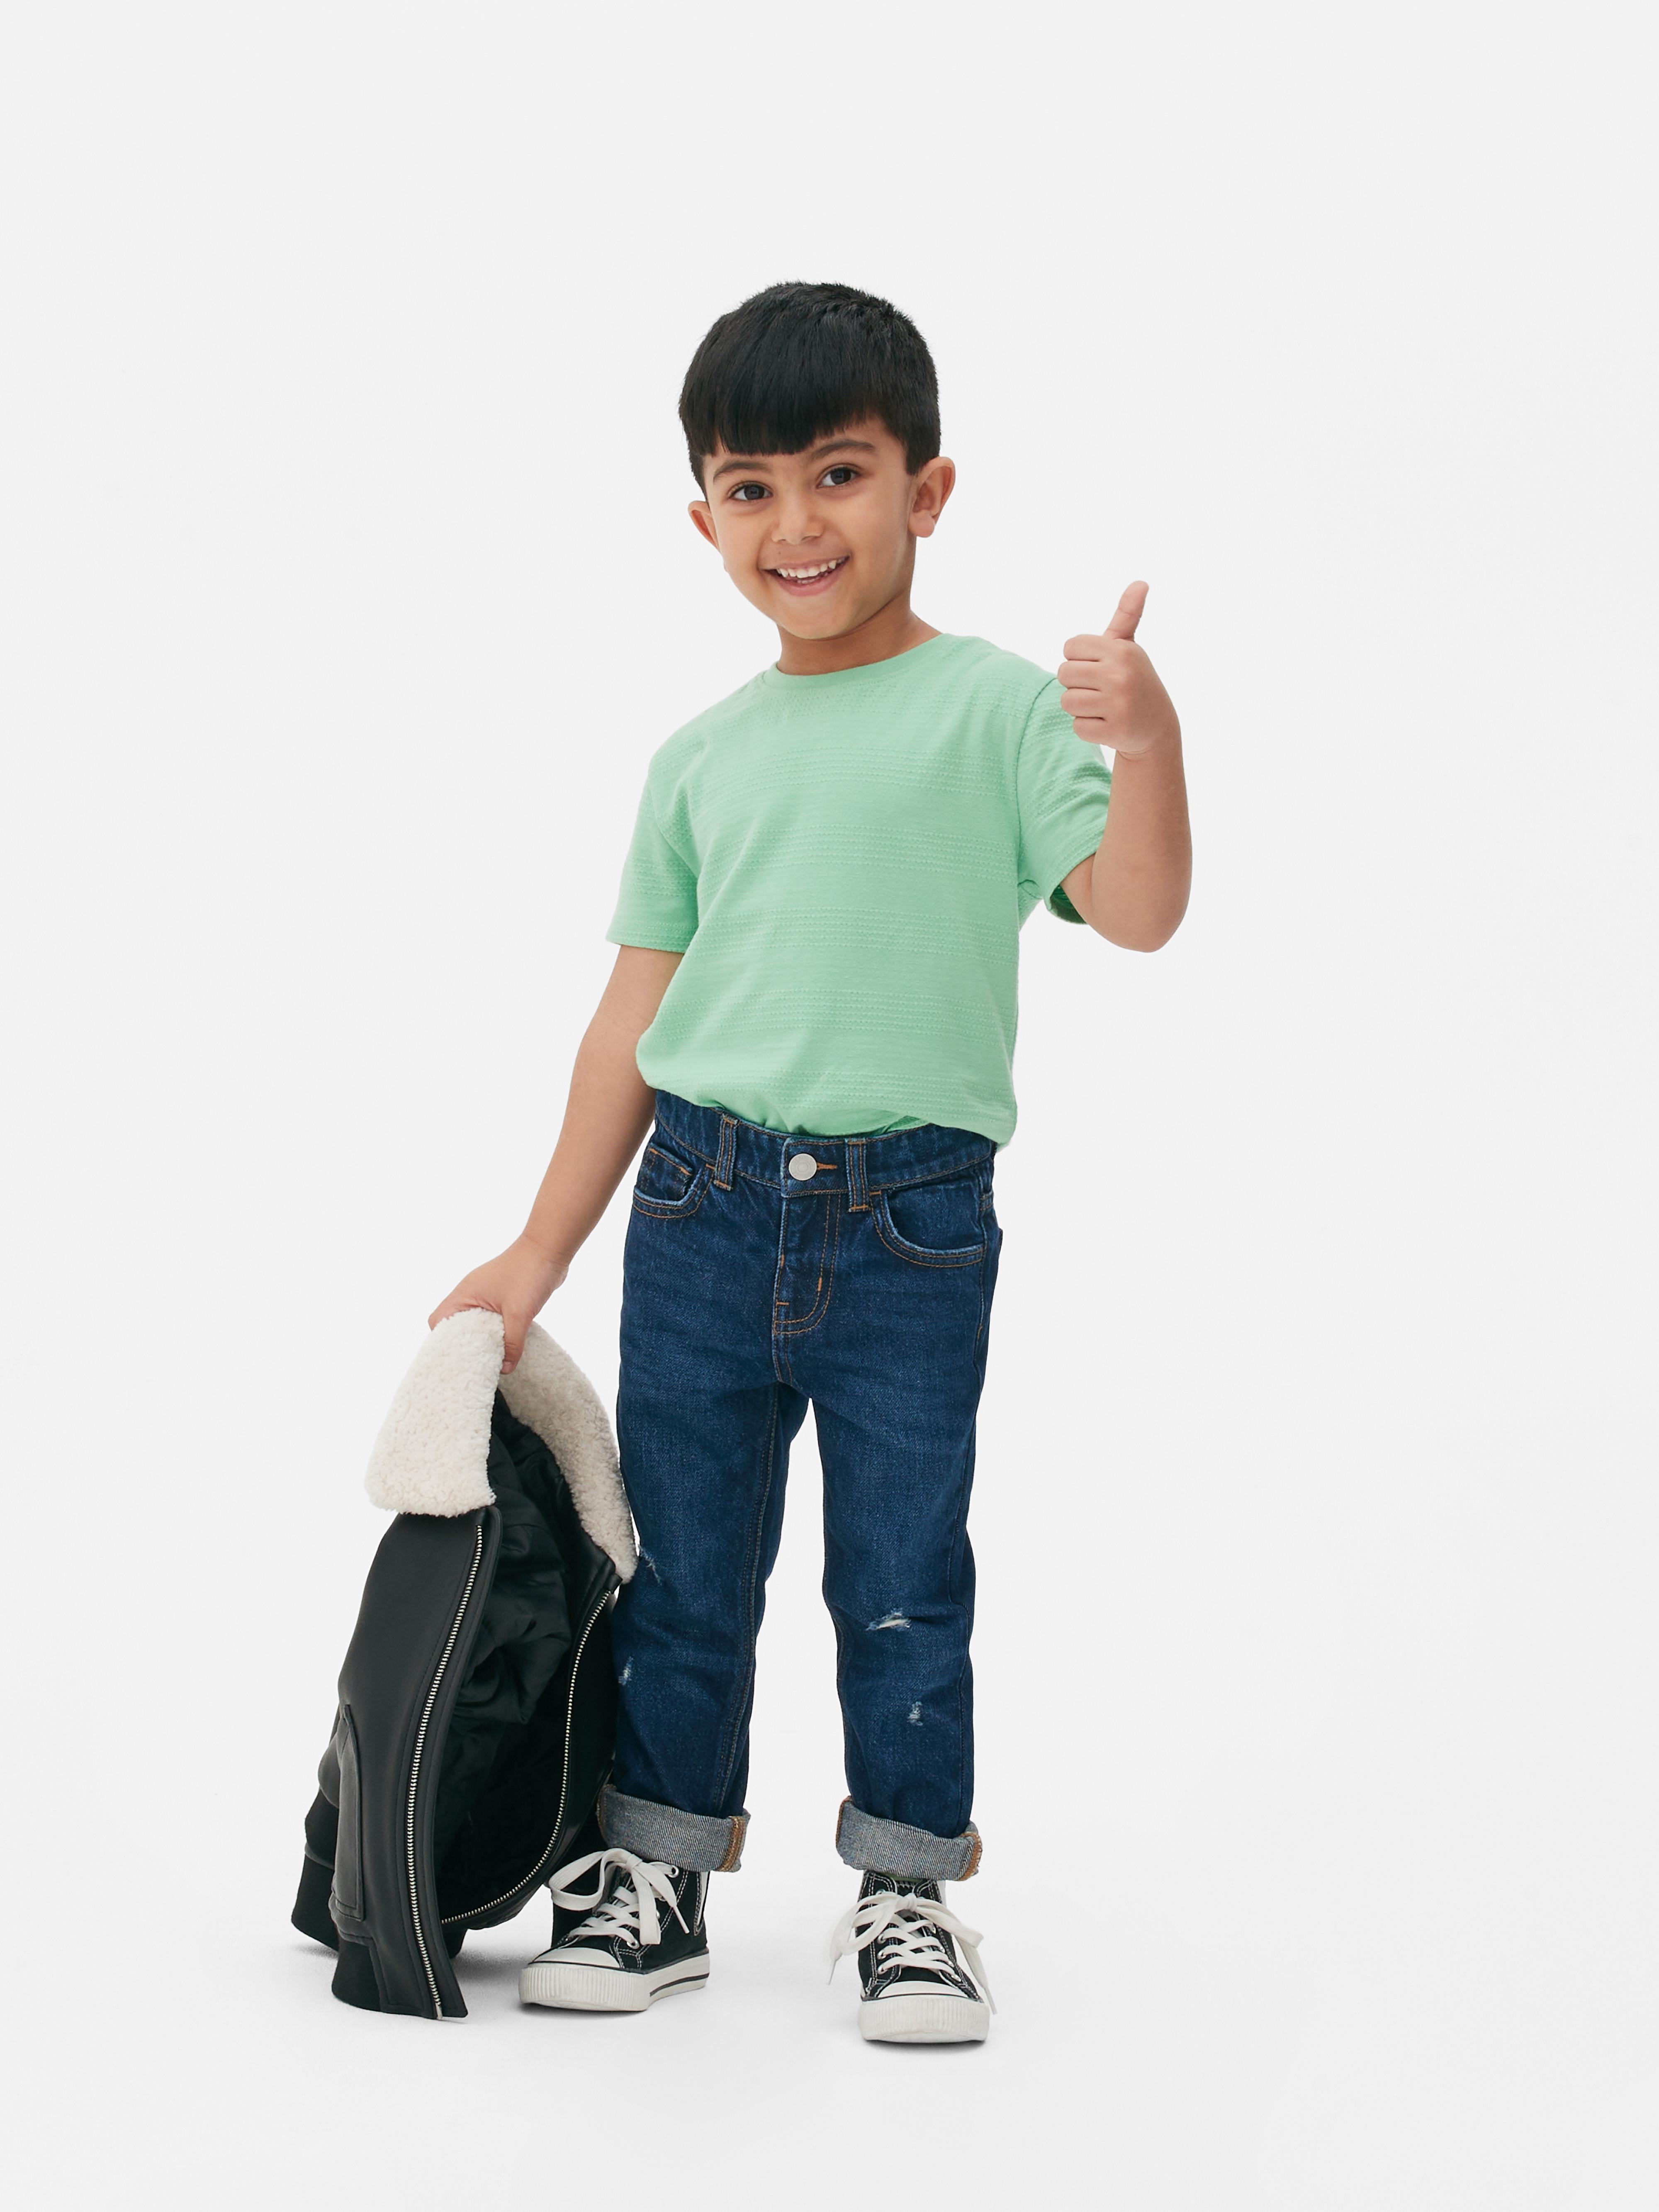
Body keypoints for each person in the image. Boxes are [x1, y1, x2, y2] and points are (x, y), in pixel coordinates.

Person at [430, 282, 1191, 2044]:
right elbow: (629, 1023)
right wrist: (538, 1249)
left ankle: (907, 1885)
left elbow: (1138, 912)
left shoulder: (1002, 714)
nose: (798, 524)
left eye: (839, 475)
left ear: (926, 490)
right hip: (701, 1207)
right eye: (751, 487)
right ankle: (657, 1865)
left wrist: (1141, 739)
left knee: (903, 1567)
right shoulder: (699, 761)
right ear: (704, 518)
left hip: (910, 1220)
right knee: (688, 1564)